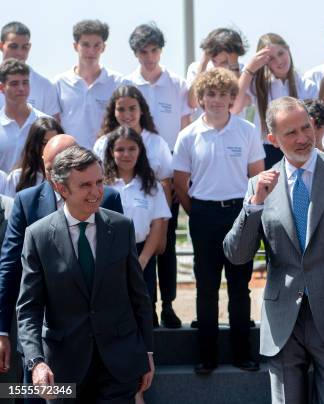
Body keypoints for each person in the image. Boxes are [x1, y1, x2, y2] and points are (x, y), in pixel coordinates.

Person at [223, 96, 324, 403]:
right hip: (282, 323)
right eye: (291, 133)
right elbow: (237, 255)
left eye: (306, 127)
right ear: (272, 139)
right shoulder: (259, 185)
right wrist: (255, 206)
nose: (303, 138)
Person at [16, 145, 154, 402]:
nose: (96, 192)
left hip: (119, 365)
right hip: (64, 369)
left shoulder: (121, 227)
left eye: (99, 182)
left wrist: (146, 352)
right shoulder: (39, 236)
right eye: (85, 185)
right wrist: (36, 362)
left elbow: (139, 295)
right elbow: (29, 308)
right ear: (61, 188)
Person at [0, 135, 123, 385]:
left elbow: (122, 277)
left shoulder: (107, 199)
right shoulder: (27, 202)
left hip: (100, 346)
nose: (55, 173)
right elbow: (10, 268)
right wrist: (2, 330)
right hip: (44, 347)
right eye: (50, 167)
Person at [173, 68, 264, 374]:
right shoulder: (188, 136)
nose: (216, 100)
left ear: (231, 97)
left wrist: (248, 211)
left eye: (223, 94)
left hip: (240, 213)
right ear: (200, 98)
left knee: (240, 286)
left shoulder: (247, 130)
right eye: (210, 94)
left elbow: (257, 177)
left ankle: (242, 354)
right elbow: (180, 183)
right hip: (204, 215)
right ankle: (207, 356)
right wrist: (197, 212)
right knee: (207, 287)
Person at [103, 126, 171, 326]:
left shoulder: (151, 185)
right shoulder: (101, 184)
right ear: (110, 152)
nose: (126, 154)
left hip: (142, 254)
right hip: (108, 256)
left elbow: (158, 224)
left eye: (132, 149)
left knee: (143, 311)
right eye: (120, 149)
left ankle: (145, 357)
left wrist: (142, 259)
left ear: (140, 151)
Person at [232, 33, 317, 168]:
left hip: (300, 148)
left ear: (288, 49)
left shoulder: (307, 86)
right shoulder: (257, 85)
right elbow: (234, 107)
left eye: (281, 53)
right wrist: (249, 69)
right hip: (267, 153)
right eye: (271, 58)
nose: (278, 61)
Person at [123, 23, 192, 152]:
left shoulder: (179, 84)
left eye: (154, 50)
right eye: (144, 52)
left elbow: (185, 126)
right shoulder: (125, 85)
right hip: (135, 158)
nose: (150, 57)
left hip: (171, 157)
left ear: (161, 50)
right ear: (135, 53)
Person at [54, 19, 122, 149]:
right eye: (85, 45)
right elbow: (54, 125)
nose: (91, 51)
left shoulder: (118, 82)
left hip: (106, 158)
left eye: (97, 45)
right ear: (75, 46)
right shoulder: (59, 83)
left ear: (104, 47)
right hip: (69, 157)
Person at [0, 22, 59, 117]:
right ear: (1, 46)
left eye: (24, 47)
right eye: (13, 46)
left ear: (29, 47)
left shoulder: (44, 86)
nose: (19, 53)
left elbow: (53, 128)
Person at [0, 58, 48, 172]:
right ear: (2, 88)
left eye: (25, 83)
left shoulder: (46, 124)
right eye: (14, 84)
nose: (21, 88)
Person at [4, 116, 63, 196]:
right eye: (44, 143)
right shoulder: (17, 178)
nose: (50, 147)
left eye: (54, 142)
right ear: (34, 145)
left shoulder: (71, 176)